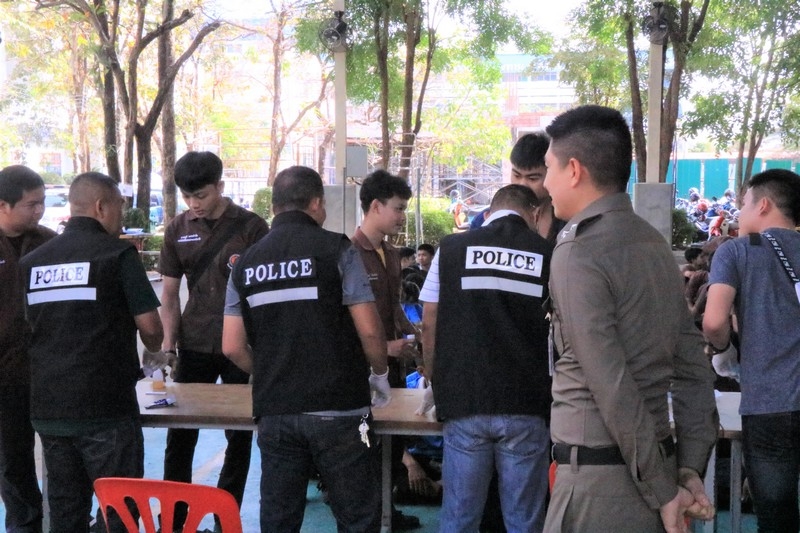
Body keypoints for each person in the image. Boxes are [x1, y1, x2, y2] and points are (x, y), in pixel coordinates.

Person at [541, 105, 718, 532]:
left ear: (574, 170)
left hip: (600, 485)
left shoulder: (577, 250)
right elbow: (693, 368)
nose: (545, 183)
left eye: (548, 167)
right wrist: (688, 470)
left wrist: (664, 491)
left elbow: (610, 382)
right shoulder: (653, 244)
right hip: (658, 469)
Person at [221, 165, 390, 532]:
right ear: (315, 203)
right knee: (359, 517)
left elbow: (232, 346)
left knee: (279, 520)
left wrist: (269, 370)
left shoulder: (245, 264)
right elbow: (370, 331)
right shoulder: (338, 249)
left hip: (276, 410)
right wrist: (380, 374)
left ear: (275, 206)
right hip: (343, 410)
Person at [20, 172, 163, 533]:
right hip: (105, 408)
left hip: (50, 408)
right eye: (119, 206)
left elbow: (27, 327)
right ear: (101, 207)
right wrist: (156, 349)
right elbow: (150, 327)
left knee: (66, 512)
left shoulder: (32, 263)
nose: (122, 216)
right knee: (120, 512)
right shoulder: (117, 254)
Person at [417, 184, 553, 531]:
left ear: (489, 212)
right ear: (535, 213)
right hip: (526, 403)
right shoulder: (548, 253)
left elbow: (430, 318)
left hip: (466, 399)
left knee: (460, 517)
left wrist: (433, 378)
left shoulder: (451, 248)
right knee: (524, 520)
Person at [158, 151, 269, 528]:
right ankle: (174, 520)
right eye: (187, 196)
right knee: (180, 435)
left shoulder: (252, 228)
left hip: (240, 346)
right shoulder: (177, 229)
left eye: (201, 195)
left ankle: (225, 518)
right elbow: (169, 295)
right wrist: (168, 346)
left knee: (239, 436)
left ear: (220, 186)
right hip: (194, 343)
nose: (194, 204)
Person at [703, 169, 800, 532]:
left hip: (769, 405)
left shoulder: (737, 251)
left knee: (776, 518)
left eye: (743, 203)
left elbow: (714, 321)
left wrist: (723, 349)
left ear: (763, 205)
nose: (739, 212)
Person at [352, 169, 421, 529]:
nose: (401, 216)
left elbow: (393, 307)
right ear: (375, 206)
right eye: (398, 208)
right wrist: (382, 348)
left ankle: (386, 510)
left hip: (393, 366)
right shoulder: (349, 254)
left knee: (394, 441)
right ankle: (366, 513)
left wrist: (416, 335)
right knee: (364, 443)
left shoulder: (391, 254)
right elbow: (344, 321)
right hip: (361, 369)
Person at [0, 166, 54, 533]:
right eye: (31, 205)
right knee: (13, 461)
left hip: (51, 372)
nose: (39, 211)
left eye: (42, 203)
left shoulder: (50, 244)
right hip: (5, 378)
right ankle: (26, 526)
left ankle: (65, 521)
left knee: (63, 456)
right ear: (3, 205)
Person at [509, 132, 566, 243]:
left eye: (532, 178)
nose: (522, 184)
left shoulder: (566, 217)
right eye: (516, 175)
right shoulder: (493, 216)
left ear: (550, 174)